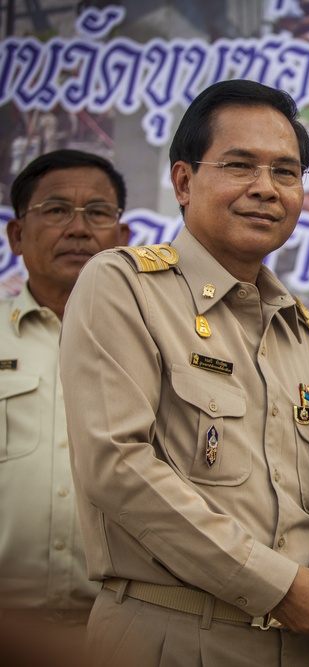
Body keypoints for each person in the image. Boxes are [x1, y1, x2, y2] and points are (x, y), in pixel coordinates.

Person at [59, 80, 309, 666]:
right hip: (168, 636)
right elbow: (117, 466)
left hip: (298, 647)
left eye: (286, 171)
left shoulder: (307, 338)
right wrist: (275, 583)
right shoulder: (123, 286)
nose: (265, 189)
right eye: (240, 165)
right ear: (183, 181)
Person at [0, 150, 130, 666]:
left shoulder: (155, 346)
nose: (79, 229)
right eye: (55, 210)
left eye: (98, 213)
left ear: (122, 238)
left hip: (119, 631)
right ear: (16, 236)